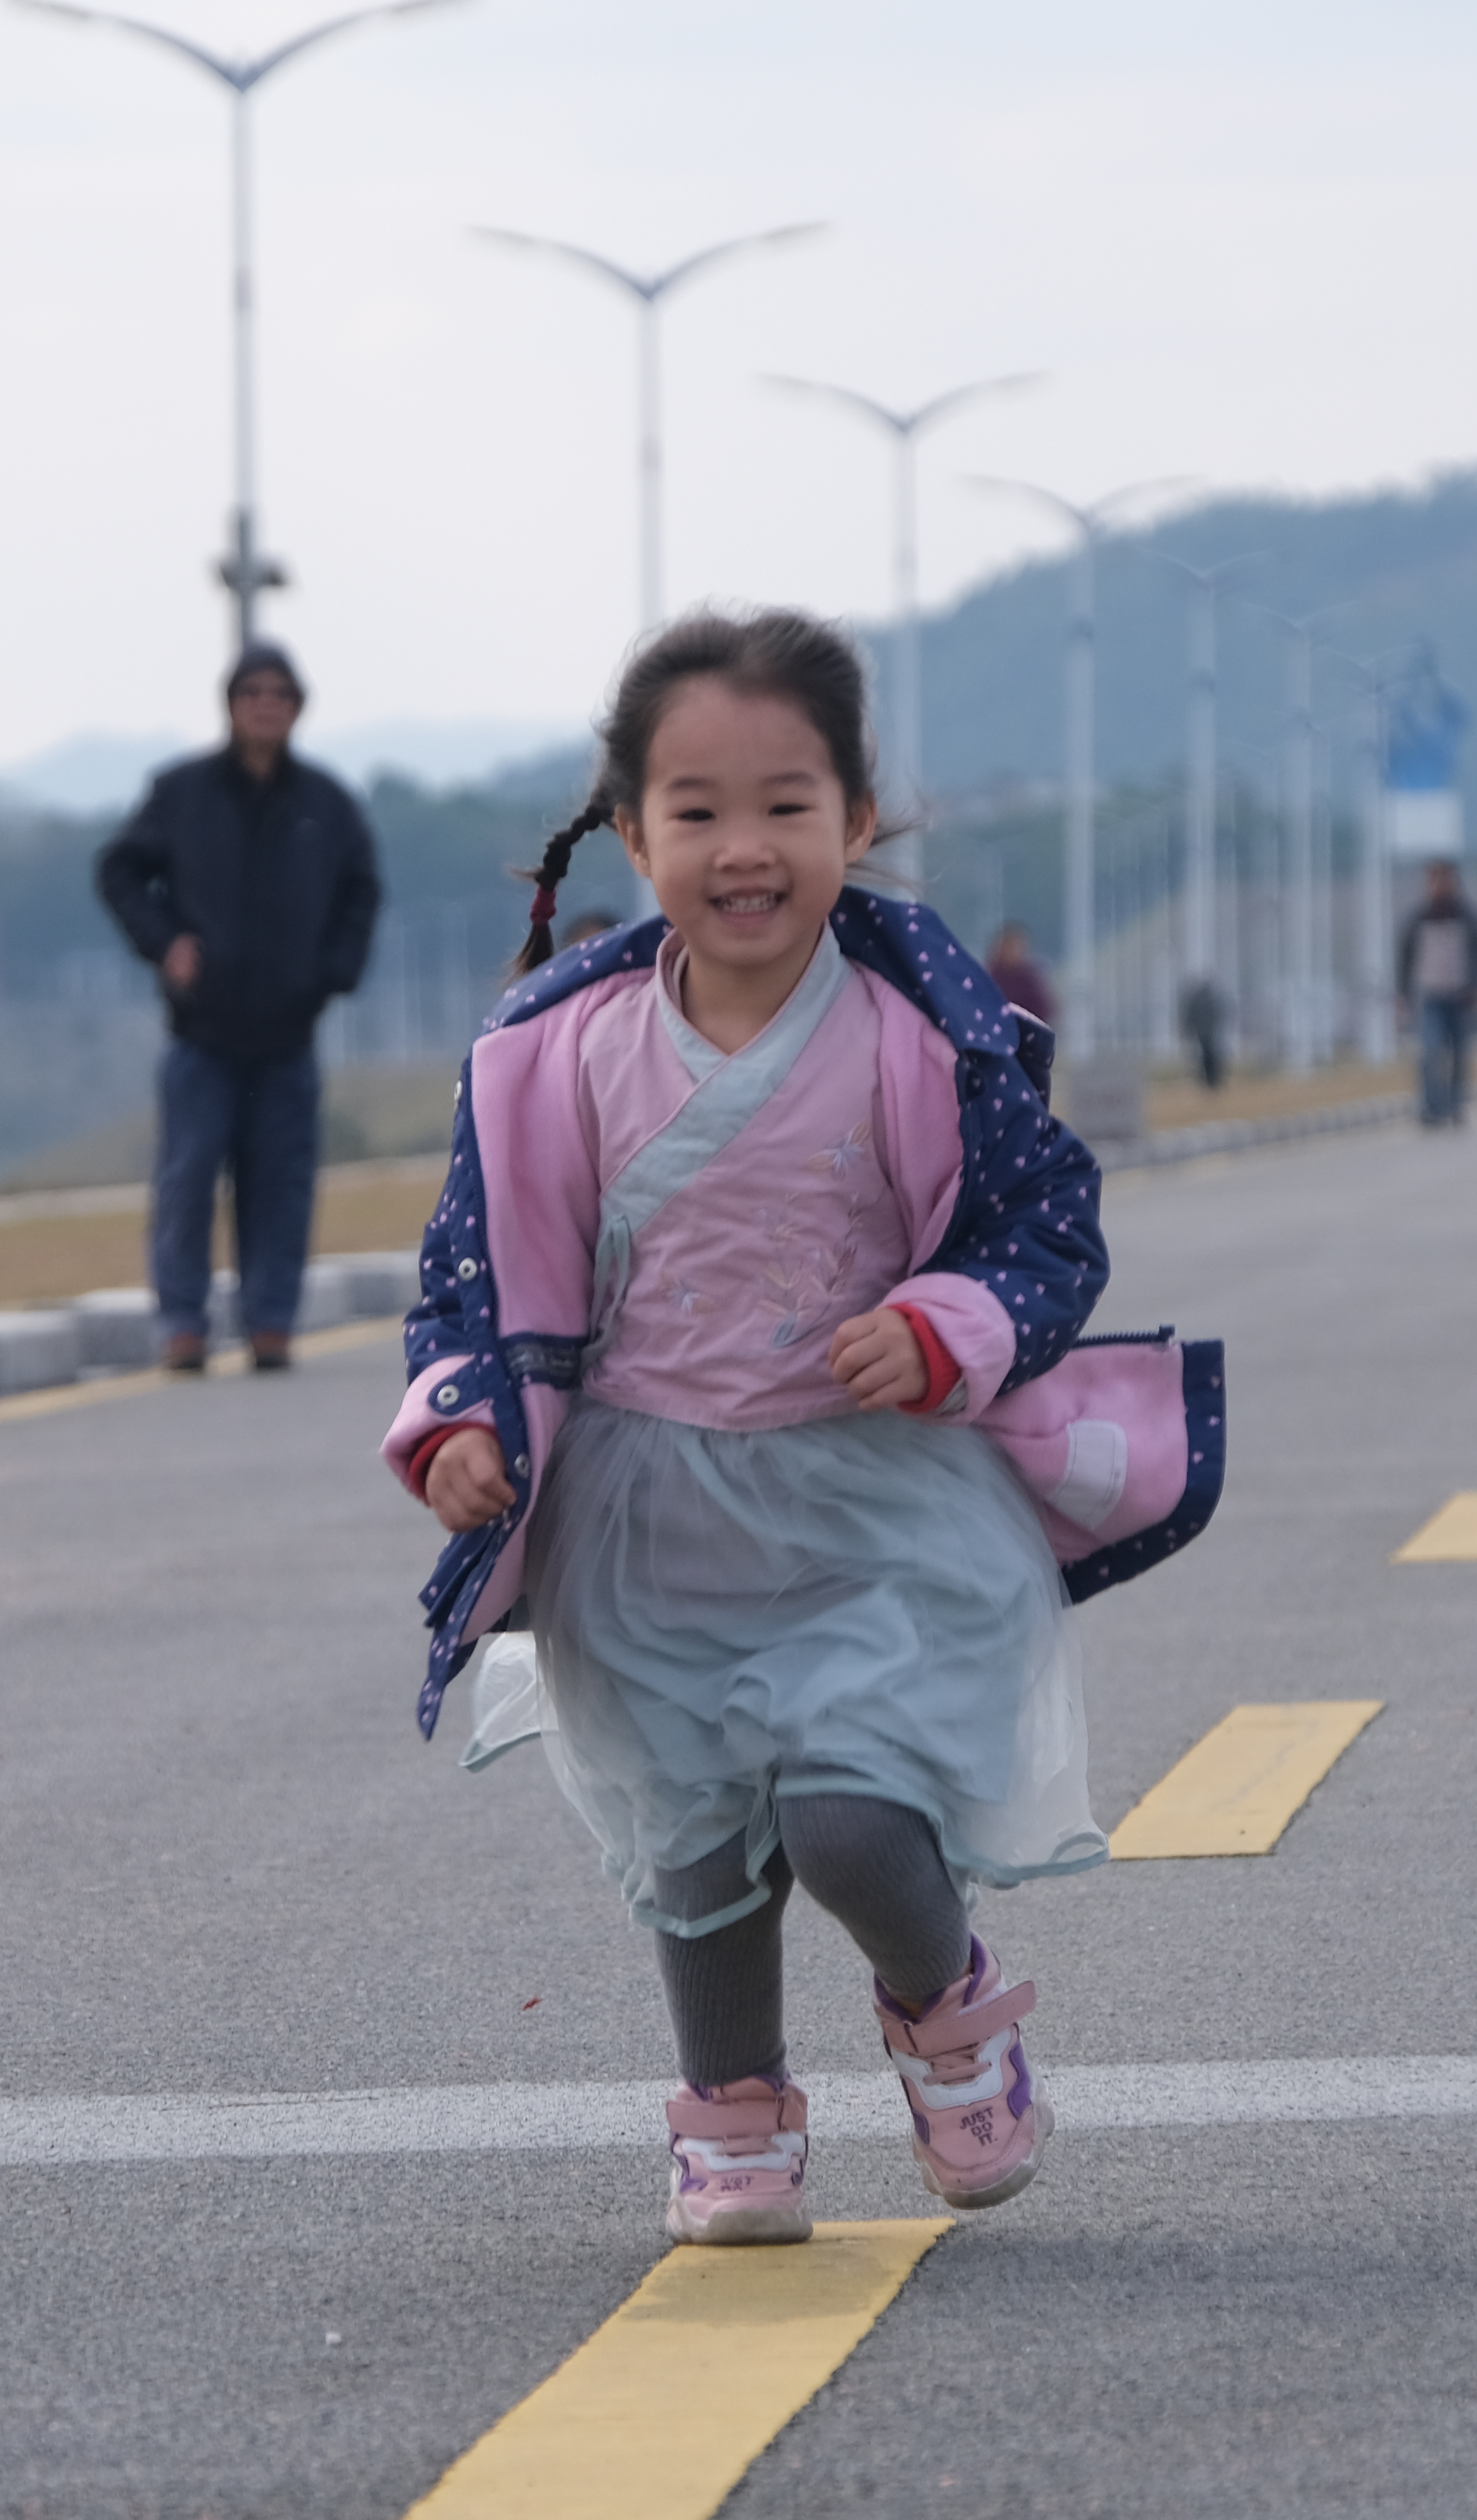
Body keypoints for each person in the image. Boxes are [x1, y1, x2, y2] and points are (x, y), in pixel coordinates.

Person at [384, 610, 1118, 2247]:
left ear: (857, 821)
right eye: (696, 810)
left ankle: (947, 2007)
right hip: (648, 1512)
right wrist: (458, 1425)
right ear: (630, 831)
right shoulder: (550, 1054)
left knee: (845, 1813)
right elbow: (474, 1279)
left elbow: (1041, 1231)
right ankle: (731, 2114)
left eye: (786, 804)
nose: (742, 848)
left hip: (877, 1504)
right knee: (697, 1830)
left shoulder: (929, 1031)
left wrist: (948, 1324)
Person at [95, 642, 383, 1373]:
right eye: (252, 691)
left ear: (297, 707)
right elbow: (120, 869)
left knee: (281, 1182)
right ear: (230, 703)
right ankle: (183, 1323)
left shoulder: (326, 804)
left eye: (280, 693)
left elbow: (361, 890)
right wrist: (165, 944)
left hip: (289, 1034)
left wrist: (334, 971)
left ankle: (271, 1320)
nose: (266, 703)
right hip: (203, 1032)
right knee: (188, 1178)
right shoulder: (182, 792)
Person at [1394, 859, 1477, 1129]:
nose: (1440, 886)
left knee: (1459, 1053)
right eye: (1435, 880)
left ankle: (1456, 1104)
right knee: (1430, 1051)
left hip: (1461, 995)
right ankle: (1431, 1107)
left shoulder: (1468, 918)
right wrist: (1403, 994)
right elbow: (1405, 959)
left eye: (1445, 880)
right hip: (1431, 994)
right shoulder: (1418, 918)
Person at [984, 922, 1058, 1038]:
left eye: (1017, 946)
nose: (1012, 951)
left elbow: (1046, 1010)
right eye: (1009, 945)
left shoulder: (1030, 979)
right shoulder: (988, 976)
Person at [1176, 970, 1229, 1094]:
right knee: (1209, 1056)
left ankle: (1210, 1080)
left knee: (1208, 1056)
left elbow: (1189, 1015)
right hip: (1207, 1031)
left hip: (1204, 1031)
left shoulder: (1199, 997)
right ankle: (1211, 1081)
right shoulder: (1211, 997)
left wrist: (1187, 1029)